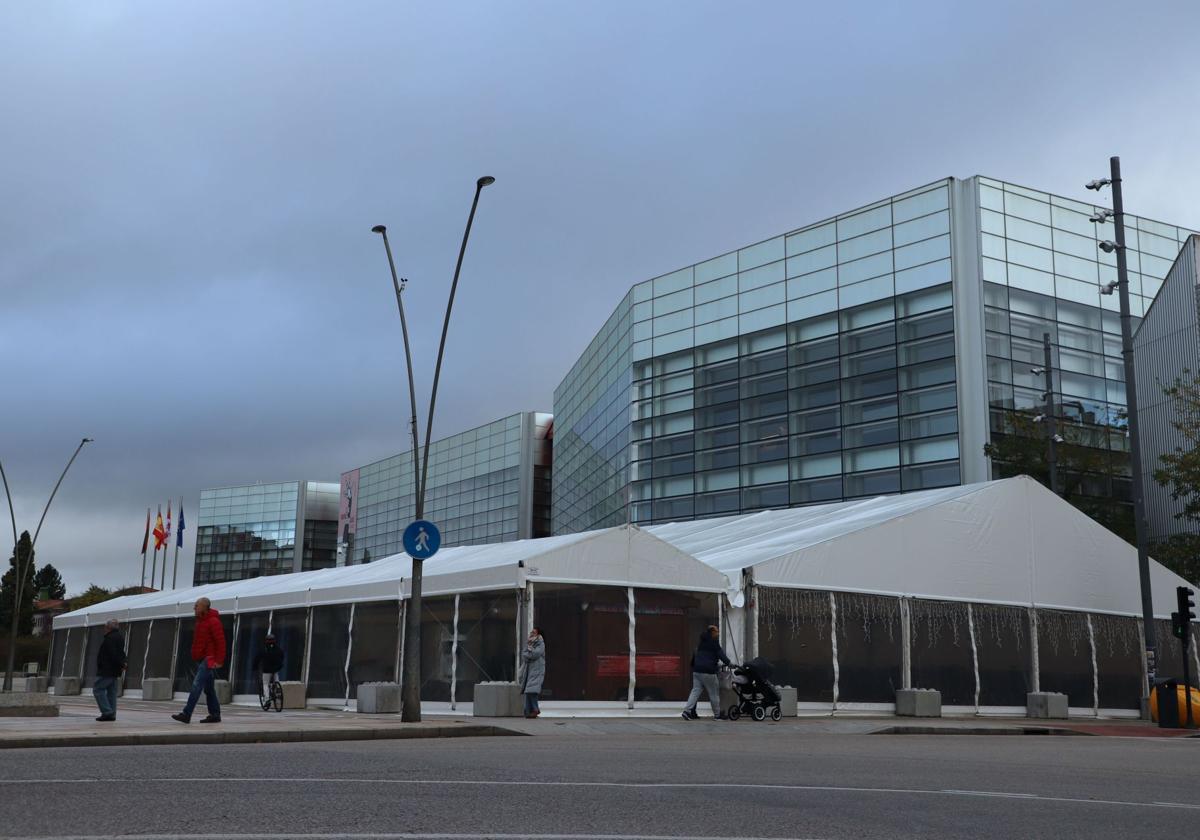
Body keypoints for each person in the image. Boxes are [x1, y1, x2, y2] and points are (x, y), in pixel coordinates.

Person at [172, 597, 225, 724]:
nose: (194, 608)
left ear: (204, 607)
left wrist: (219, 660)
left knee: (196, 685)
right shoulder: (200, 622)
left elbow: (221, 641)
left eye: (197, 605)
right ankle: (215, 714)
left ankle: (187, 713)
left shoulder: (213, 621)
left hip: (209, 659)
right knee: (209, 689)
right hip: (203, 658)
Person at [681, 624, 731, 720]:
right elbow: (721, 655)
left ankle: (687, 711)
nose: (718, 633)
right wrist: (729, 663)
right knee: (714, 693)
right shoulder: (714, 643)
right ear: (712, 632)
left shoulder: (701, 643)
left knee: (695, 691)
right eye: (716, 631)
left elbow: (697, 656)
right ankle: (717, 715)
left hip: (697, 671)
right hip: (708, 672)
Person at [93, 618, 127, 722]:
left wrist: (120, 663)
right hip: (115, 670)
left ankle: (107, 712)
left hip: (107, 669)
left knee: (98, 689)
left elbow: (113, 654)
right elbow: (121, 653)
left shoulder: (109, 638)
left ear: (108, 627)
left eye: (105, 627)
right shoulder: (120, 637)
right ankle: (112, 713)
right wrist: (123, 663)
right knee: (111, 692)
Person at [520, 627, 545, 719]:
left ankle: (534, 710)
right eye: (531, 632)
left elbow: (536, 654)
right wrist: (529, 651)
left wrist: (530, 650)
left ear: (538, 634)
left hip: (537, 671)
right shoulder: (529, 643)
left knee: (531, 691)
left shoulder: (540, 643)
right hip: (529, 671)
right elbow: (524, 655)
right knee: (529, 691)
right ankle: (529, 711)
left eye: (534, 632)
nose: (531, 633)